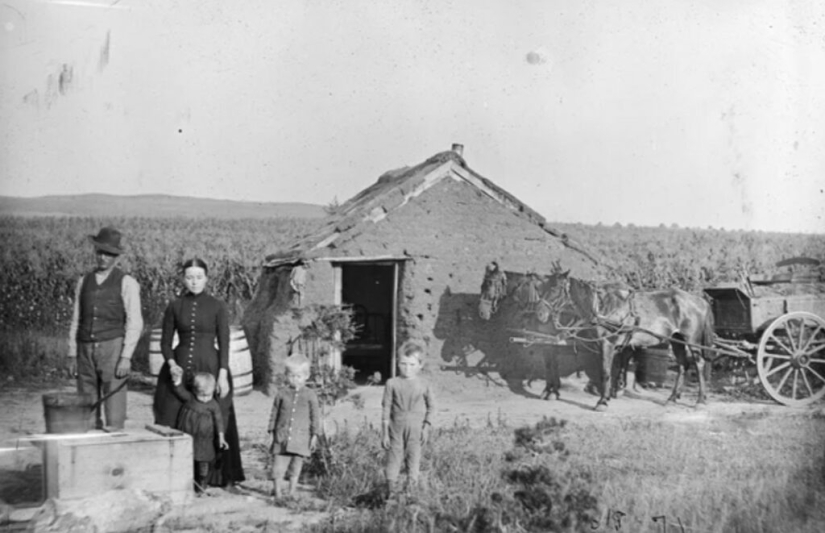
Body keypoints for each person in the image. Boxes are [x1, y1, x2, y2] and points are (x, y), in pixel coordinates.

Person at [153, 258, 245, 487]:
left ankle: (216, 475)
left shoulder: (217, 306)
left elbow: (224, 342)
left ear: (206, 278)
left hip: (211, 366)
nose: (194, 282)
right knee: (171, 413)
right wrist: (172, 364)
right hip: (180, 369)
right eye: (189, 277)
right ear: (183, 279)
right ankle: (174, 474)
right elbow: (165, 343)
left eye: (199, 277)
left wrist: (223, 374)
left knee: (216, 417)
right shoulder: (175, 306)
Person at [67, 226, 143, 430]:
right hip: (85, 349)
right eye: (99, 252)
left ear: (116, 257)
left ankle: (114, 445)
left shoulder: (127, 283)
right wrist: (72, 354)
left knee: (114, 402)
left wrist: (126, 356)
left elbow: (135, 323)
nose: (102, 258)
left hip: (112, 348)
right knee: (86, 400)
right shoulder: (84, 281)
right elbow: (76, 319)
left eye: (108, 254)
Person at [381, 340, 436, 497]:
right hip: (395, 428)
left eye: (412, 364)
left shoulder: (424, 384)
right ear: (398, 363)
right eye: (403, 364)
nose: (407, 368)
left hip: (416, 429)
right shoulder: (392, 383)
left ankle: (411, 491)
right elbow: (386, 408)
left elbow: (432, 407)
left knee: (414, 457)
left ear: (420, 365)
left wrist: (426, 427)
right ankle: (390, 491)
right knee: (394, 456)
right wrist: (384, 432)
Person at [267, 354, 320, 500]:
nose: (294, 379)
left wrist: (314, 434)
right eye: (291, 376)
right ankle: (277, 492)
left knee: (295, 467)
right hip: (281, 437)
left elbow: (315, 416)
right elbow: (274, 413)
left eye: (298, 376)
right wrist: (271, 432)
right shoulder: (282, 394)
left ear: (306, 376)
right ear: (286, 375)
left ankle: (291, 492)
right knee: (278, 466)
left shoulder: (310, 395)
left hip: (301, 438)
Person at [170, 369, 229, 494]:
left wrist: (221, 437)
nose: (205, 399)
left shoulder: (213, 405)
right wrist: (177, 381)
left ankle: (202, 485)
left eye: (208, 395)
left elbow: (219, 421)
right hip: (189, 437)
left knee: (204, 462)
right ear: (194, 390)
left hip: (205, 440)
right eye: (201, 395)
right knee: (187, 459)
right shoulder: (190, 399)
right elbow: (179, 391)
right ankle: (184, 484)